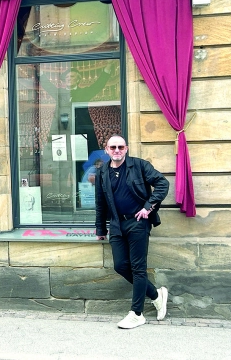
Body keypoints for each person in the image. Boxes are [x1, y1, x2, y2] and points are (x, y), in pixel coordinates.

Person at [95, 134, 170, 329]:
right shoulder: (102, 171)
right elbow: (100, 202)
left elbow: (162, 183)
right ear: (107, 150)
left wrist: (148, 207)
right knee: (120, 266)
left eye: (120, 147)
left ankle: (137, 314)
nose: (117, 150)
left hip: (138, 223)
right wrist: (100, 228)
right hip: (116, 224)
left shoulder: (139, 165)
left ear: (126, 149)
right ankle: (156, 294)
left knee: (138, 268)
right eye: (113, 147)